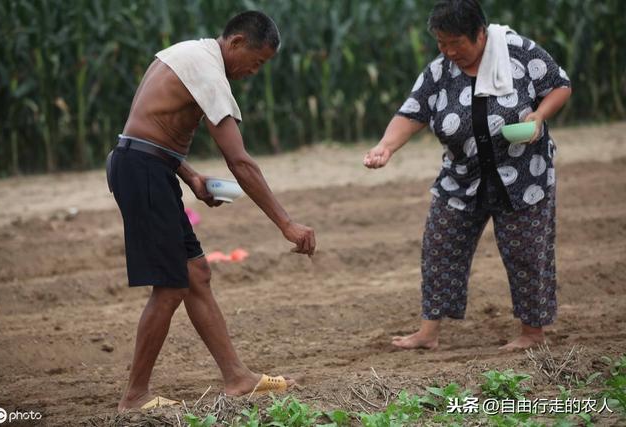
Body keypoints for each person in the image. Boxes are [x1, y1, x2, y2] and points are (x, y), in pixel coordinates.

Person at [106, 11, 316, 411]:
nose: (254, 72)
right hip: (143, 171)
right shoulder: (209, 71)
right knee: (171, 287)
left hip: (149, 166)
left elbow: (150, 126)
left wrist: (190, 176)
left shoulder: (187, 54)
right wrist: (286, 224)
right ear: (235, 42)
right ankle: (134, 396)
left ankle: (237, 378)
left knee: (196, 274)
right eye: (256, 61)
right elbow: (240, 162)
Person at [363, 0, 571, 352]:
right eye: (441, 43)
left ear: (479, 34)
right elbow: (413, 111)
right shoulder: (439, 71)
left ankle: (532, 334)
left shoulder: (519, 52)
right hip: (462, 177)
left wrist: (537, 117)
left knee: (526, 254)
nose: (447, 51)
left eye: (454, 42)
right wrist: (386, 146)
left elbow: (559, 85)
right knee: (440, 249)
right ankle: (428, 333)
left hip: (522, 175)